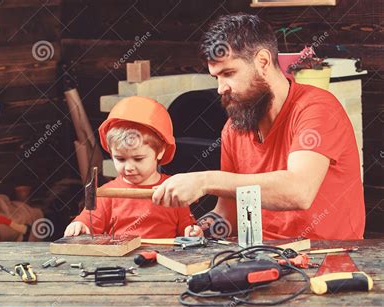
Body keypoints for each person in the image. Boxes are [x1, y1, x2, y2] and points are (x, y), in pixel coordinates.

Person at [152, 14, 365, 240]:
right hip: (261, 254)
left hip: (327, 257)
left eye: (228, 73)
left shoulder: (317, 108)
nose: (220, 88)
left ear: (262, 62)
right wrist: (203, 229)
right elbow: (228, 214)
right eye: (216, 77)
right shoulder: (235, 127)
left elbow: (299, 191)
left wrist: (204, 181)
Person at [64, 96, 197, 238]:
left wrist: (192, 232)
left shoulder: (173, 189)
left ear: (160, 151)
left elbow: (186, 229)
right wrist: (80, 224)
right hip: (121, 259)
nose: (128, 167)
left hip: (164, 258)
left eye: (138, 159)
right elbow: (88, 221)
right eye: (120, 159)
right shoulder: (106, 194)